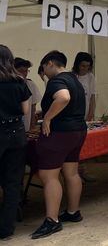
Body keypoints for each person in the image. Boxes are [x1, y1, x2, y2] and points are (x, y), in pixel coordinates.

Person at [31, 50, 88, 239]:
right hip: (78, 131)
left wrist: (47, 118)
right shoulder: (75, 80)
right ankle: (73, 212)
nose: (44, 73)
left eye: (44, 69)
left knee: (49, 175)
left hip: (60, 133)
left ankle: (52, 220)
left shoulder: (57, 81)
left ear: (50, 64)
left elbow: (63, 98)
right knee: (71, 173)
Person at [0, 45, 31, 240]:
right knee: (12, 184)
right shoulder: (20, 82)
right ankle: (6, 228)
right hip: (16, 134)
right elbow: (26, 110)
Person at [14, 57, 42, 130]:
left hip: (25, 125)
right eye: (21, 71)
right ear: (13, 71)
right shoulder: (8, 85)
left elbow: (33, 108)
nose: (24, 74)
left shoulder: (31, 84)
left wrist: (32, 127)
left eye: (26, 71)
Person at [71, 52, 96, 121]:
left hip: (86, 114)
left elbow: (92, 98)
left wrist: (90, 115)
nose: (85, 68)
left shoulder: (90, 77)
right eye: (83, 66)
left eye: (88, 66)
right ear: (77, 65)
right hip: (73, 115)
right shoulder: (71, 76)